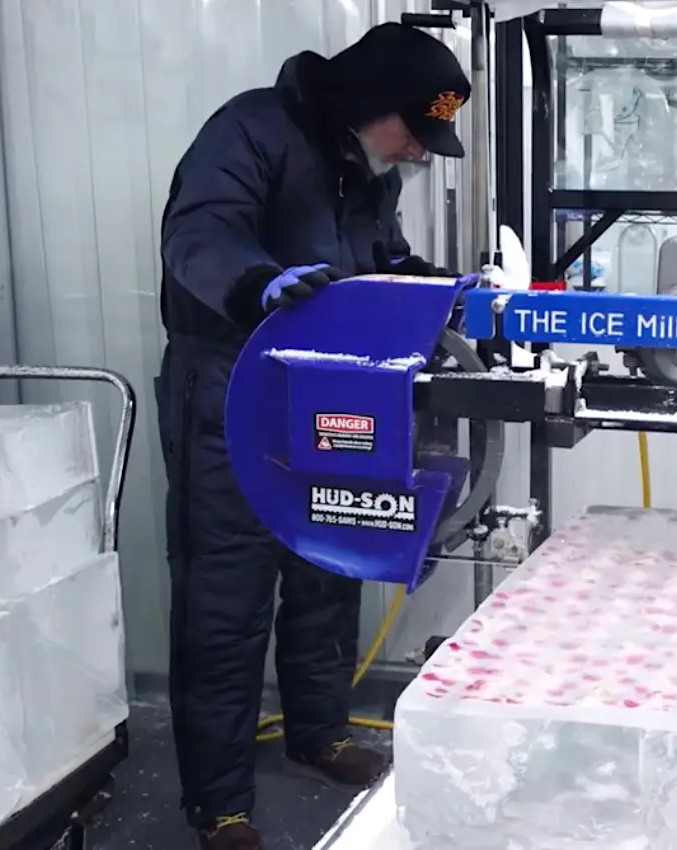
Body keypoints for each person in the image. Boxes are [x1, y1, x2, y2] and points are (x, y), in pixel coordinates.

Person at [153, 22, 468, 850]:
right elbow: (198, 237)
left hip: (328, 392)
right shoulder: (250, 131)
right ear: (371, 105)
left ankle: (320, 731)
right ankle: (219, 805)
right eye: (417, 133)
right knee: (227, 596)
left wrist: (446, 293)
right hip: (229, 389)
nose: (421, 156)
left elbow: (380, 262)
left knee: (330, 564)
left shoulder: (368, 169)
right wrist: (259, 283)